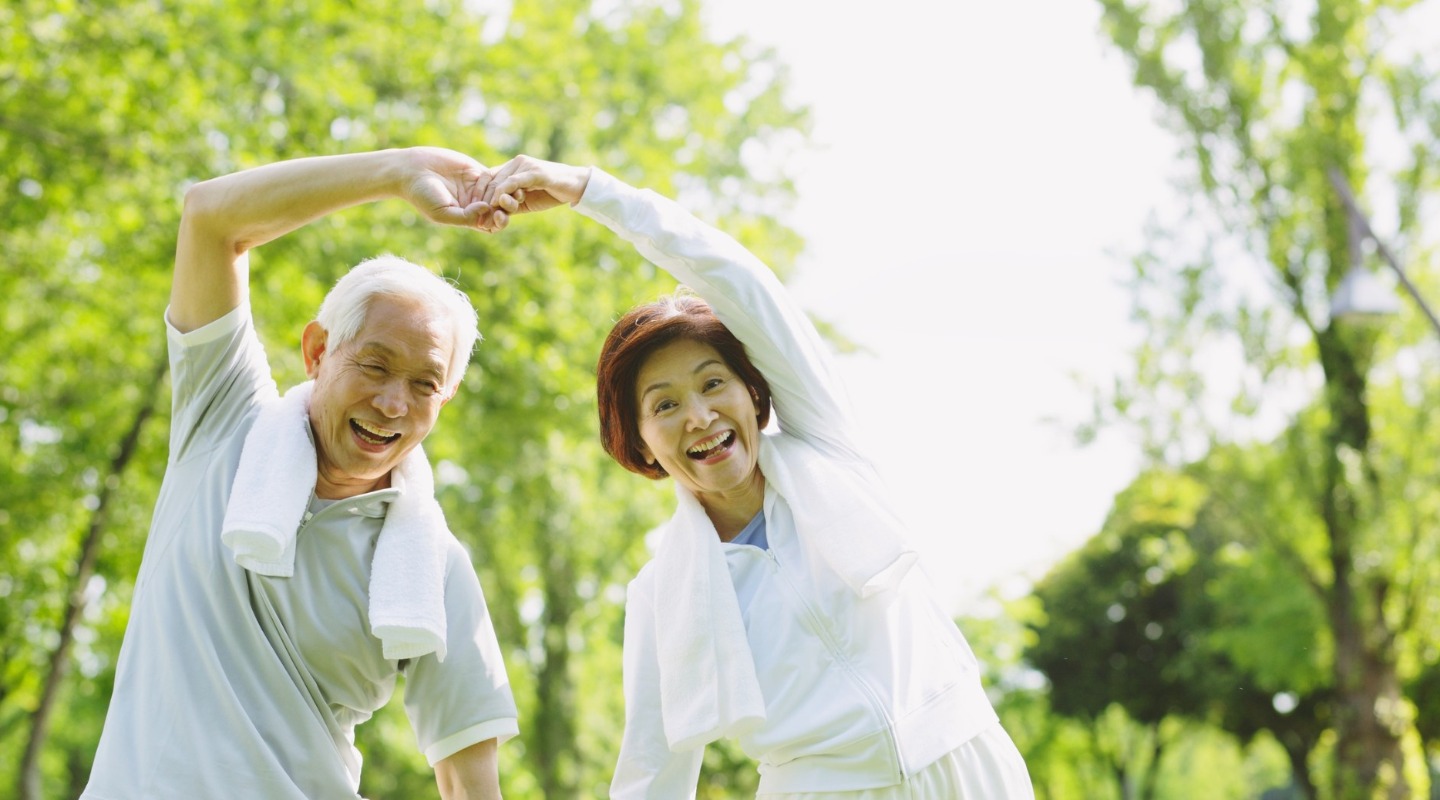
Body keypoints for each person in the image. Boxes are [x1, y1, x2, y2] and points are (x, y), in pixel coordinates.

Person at [480, 155, 1035, 799]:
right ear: (638, 440)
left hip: (969, 770)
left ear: (753, 391)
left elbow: (740, 284)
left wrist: (592, 192)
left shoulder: (831, 453)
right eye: (665, 405)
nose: (700, 417)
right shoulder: (663, 593)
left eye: (713, 384)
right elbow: (651, 773)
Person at [83, 147, 523, 800]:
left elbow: (469, 778)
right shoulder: (225, 420)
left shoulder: (434, 566)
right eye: (374, 366)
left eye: (424, 384)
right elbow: (210, 217)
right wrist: (402, 174)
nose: (394, 403)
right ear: (318, 350)